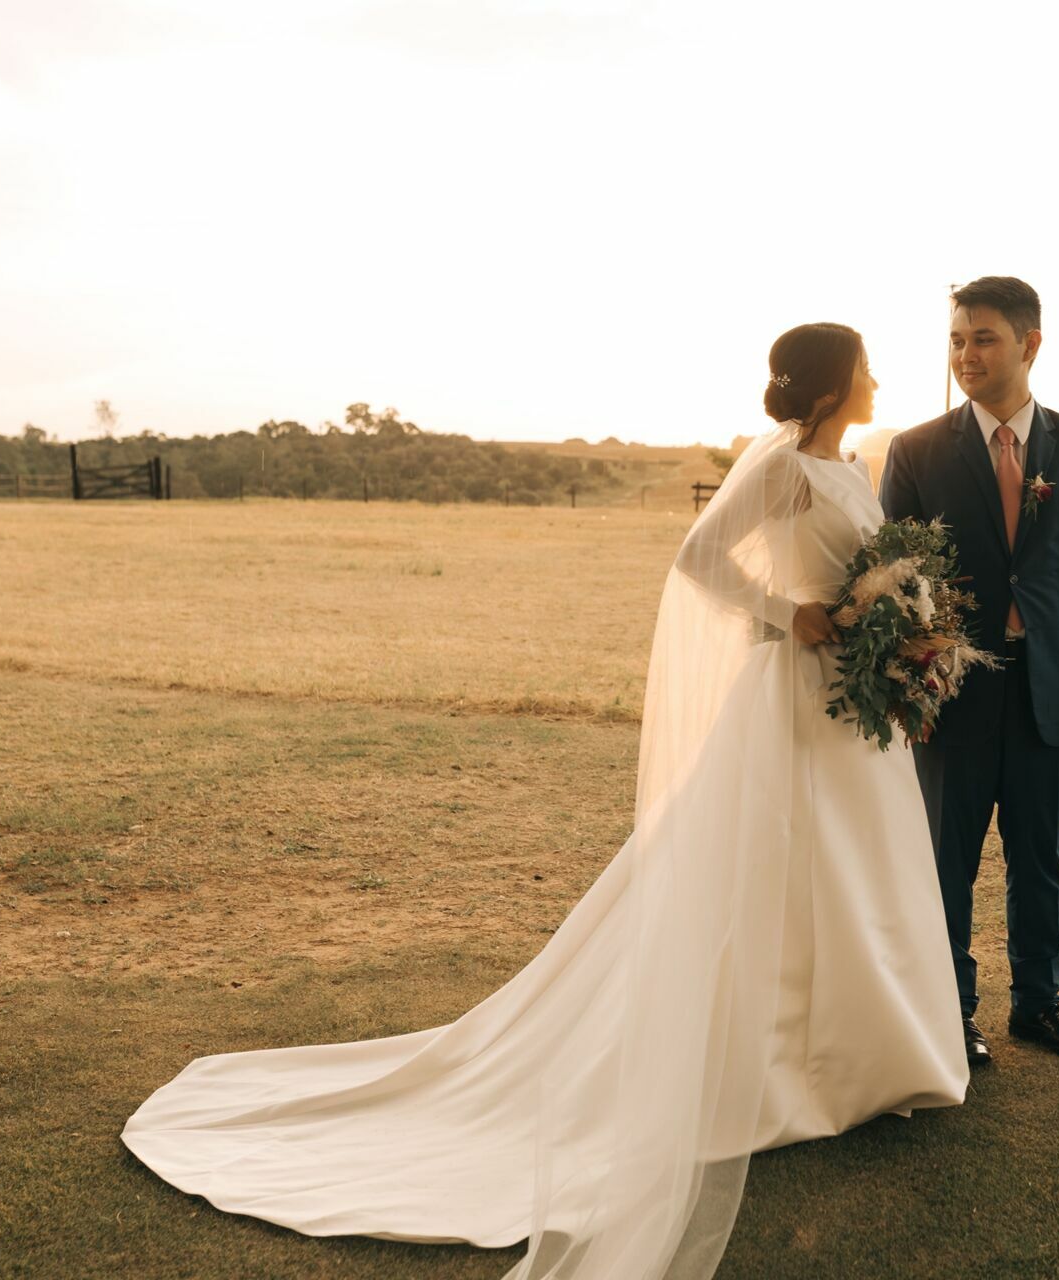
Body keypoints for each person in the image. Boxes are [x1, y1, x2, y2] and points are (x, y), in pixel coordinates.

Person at [121, 322, 967, 1279]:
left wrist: (903, 633)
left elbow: (880, 569)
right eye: (864, 366)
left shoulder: (855, 462)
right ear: (831, 383)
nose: (879, 377)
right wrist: (792, 612)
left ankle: (867, 1060)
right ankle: (778, 1072)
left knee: (857, 872)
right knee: (773, 871)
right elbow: (699, 560)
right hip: (788, 698)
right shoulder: (779, 471)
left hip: (853, 709)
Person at [880, 276, 1059, 1068]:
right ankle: (949, 1012)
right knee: (943, 865)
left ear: (1029, 344)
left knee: (1042, 860)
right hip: (949, 697)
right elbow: (895, 579)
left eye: (983, 338)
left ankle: (1041, 1008)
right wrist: (906, 688)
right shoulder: (916, 450)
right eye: (957, 340)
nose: (966, 355)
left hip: (1054, 692)